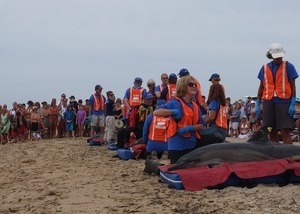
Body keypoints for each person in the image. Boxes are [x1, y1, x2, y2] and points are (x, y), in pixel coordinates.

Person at [153, 75, 205, 164]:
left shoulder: (195, 106)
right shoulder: (175, 102)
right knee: (177, 171)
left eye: (195, 85)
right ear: (183, 87)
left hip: (192, 145)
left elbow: (202, 125)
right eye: (191, 84)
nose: (194, 86)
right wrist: (172, 112)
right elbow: (156, 112)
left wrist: (190, 128)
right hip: (177, 146)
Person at [256, 43, 298, 144]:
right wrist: (258, 103)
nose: (278, 58)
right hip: (268, 102)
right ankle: (275, 155)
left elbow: (293, 86)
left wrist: (293, 103)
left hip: (284, 102)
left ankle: (289, 154)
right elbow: (261, 87)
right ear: (271, 56)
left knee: (284, 131)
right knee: (271, 131)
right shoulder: (264, 68)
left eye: (280, 56)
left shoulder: (289, 66)